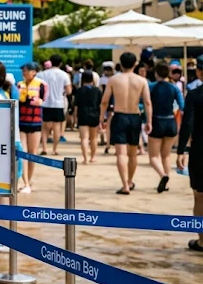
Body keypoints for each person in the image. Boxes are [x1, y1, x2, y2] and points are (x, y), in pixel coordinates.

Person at [101, 52, 152, 195]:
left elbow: (104, 101)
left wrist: (101, 118)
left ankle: (125, 185)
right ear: (135, 64)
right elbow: (147, 102)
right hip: (135, 116)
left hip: (119, 115)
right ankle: (130, 180)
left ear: (121, 63)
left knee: (121, 154)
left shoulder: (113, 79)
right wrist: (149, 121)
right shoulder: (142, 81)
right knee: (133, 154)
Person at [176, 82, 203, 252]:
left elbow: (188, 124)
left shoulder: (195, 95)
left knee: (200, 196)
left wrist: (181, 150)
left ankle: (202, 241)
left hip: (200, 149)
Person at [148, 62, 182, 193]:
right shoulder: (174, 88)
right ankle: (166, 182)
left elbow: (144, 102)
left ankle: (163, 175)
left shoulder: (151, 87)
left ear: (156, 73)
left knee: (153, 157)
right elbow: (182, 105)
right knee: (166, 155)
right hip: (170, 122)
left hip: (156, 122)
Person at [17, 63, 45, 193]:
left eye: (26, 70)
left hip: (35, 122)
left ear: (34, 72)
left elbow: (43, 99)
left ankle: (29, 179)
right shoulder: (19, 85)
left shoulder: (41, 85)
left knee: (32, 153)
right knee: (23, 152)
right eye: (23, 70)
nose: (24, 72)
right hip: (21, 122)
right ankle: (26, 182)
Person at [38, 54, 71, 156]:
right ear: (60, 63)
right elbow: (69, 91)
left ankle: (44, 147)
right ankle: (54, 149)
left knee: (44, 127)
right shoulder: (64, 75)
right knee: (57, 127)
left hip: (45, 103)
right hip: (58, 103)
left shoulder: (42, 74)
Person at [72, 71, 103, 164]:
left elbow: (76, 106)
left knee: (84, 138)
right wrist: (101, 117)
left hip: (82, 115)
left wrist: (75, 117)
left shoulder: (79, 90)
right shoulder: (97, 90)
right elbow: (101, 105)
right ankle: (93, 157)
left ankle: (85, 158)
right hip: (95, 115)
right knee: (94, 138)